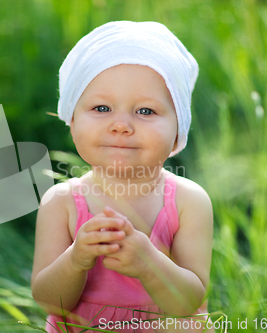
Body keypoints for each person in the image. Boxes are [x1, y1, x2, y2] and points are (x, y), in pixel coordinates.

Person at [31, 21, 214, 333]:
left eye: (145, 111)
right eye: (102, 108)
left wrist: (149, 264)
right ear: (72, 122)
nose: (121, 125)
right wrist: (75, 260)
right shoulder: (61, 202)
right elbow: (49, 303)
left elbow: (187, 304)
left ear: (177, 133)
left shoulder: (188, 201)